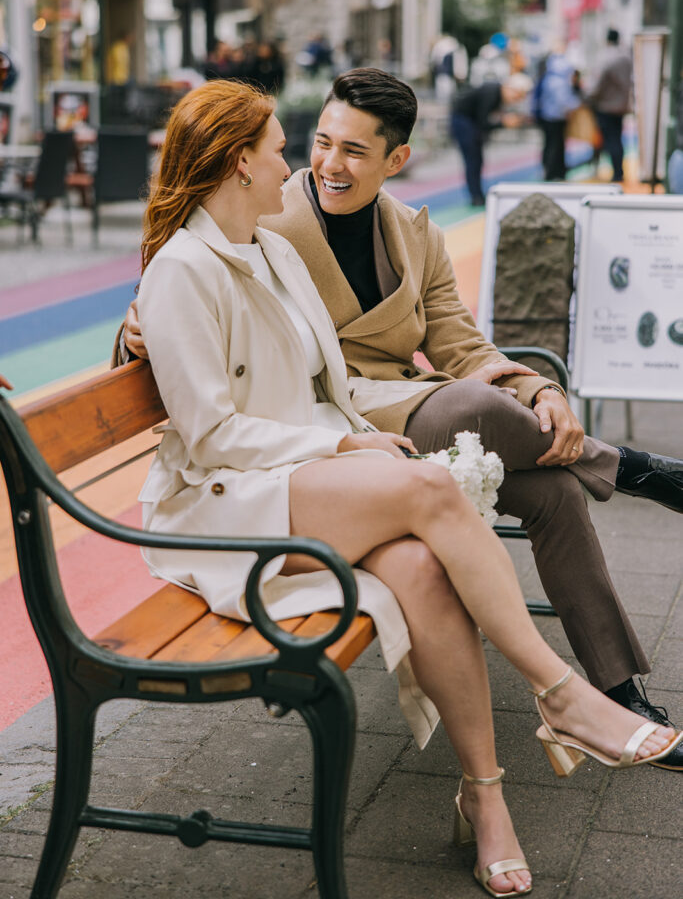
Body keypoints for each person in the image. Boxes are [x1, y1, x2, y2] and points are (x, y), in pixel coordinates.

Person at [134, 79, 679, 897]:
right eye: (300, 143)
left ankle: (492, 794)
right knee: (431, 485)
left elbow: (421, 350)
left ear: (395, 159)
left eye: (347, 148)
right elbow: (206, 409)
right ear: (242, 162)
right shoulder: (222, 248)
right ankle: (561, 690)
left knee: (459, 546)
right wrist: (138, 323)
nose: (310, 162)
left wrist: (530, 391)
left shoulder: (308, 245)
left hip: (326, 449)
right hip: (242, 489)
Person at [450, 73, 533, 206]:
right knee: (472, 160)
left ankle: (477, 194)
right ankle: (476, 196)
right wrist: (504, 123)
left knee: (477, 159)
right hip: (463, 121)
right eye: (517, 96)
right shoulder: (492, 92)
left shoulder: (496, 93)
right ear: (510, 88)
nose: (516, 100)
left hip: (469, 122)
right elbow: (484, 122)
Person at [586, 28, 632, 183]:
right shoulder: (626, 58)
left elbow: (597, 85)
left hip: (605, 106)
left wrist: (589, 96)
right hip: (621, 106)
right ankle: (619, 172)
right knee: (617, 139)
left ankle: (613, 173)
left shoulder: (605, 58)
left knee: (607, 140)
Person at [533, 42, 580, 181]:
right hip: (556, 118)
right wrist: (573, 107)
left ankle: (551, 170)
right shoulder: (559, 81)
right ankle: (554, 172)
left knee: (550, 144)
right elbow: (564, 101)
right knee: (556, 145)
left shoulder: (549, 77)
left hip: (548, 116)